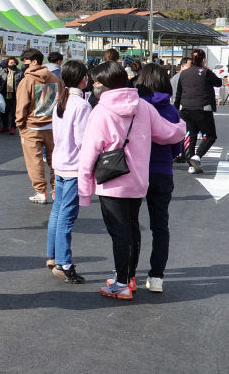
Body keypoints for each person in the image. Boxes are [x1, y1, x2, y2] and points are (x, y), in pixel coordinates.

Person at [78, 61, 185, 300]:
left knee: (120, 233)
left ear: (105, 84)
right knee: (132, 229)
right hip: (138, 179)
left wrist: (84, 190)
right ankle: (128, 278)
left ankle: (123, 282)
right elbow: (168, 133)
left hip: (112, 180)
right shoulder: (143, 107)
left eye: (96, 82)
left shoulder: (101, 111)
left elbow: (89, 153)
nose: (94, 86)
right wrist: (182, 125)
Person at [135, 63, 183, 293]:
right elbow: (176, 147)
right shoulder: (171, 110)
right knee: (160, 227)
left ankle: (127, 275)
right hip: (162, 171)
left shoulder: (137, 106)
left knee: (131, 225)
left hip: (136, 171)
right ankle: (156, 278)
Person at [47, 60, 90, 284]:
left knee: (57, 211)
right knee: (67, 215)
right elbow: (84, 140)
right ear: (82, 78)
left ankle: (54, 256)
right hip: (74, 165)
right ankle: (64, 263)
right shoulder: (81, 105)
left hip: (60, 162)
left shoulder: (61, 101)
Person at [15, 48, 63, 204]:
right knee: (54, 159)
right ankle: (57, 189)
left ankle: (40, 192)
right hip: (52, 126)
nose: (25, 66)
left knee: (34, 161)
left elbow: (21, 106)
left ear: (34, 61)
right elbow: (62, 102)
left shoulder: (26, 81)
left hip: (32, 126)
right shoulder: (56, 79)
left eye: (26, 62)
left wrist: (20, 124)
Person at [174, 48, 222, 174]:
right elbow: (218, 83)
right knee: (210, 135)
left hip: (185, 109)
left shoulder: (183, 73)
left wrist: (175, 110)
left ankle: (191, 165)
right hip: (202, 108)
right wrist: (207, 69)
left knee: (191, 135)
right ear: (203, 60)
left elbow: (178, 94)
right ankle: (197, 156)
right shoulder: (205, 72)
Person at [0, 56, 23, 134]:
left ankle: (12, 127)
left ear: (16, 63)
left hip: (14, 95)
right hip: (3, 94)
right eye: (11, 63)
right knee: (2, 111)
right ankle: (3, 126)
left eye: (14, 62)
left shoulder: (20, 72)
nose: (12, 64)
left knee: (13, 112)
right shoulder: (3, 72)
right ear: (7, 64)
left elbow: (23, 83)